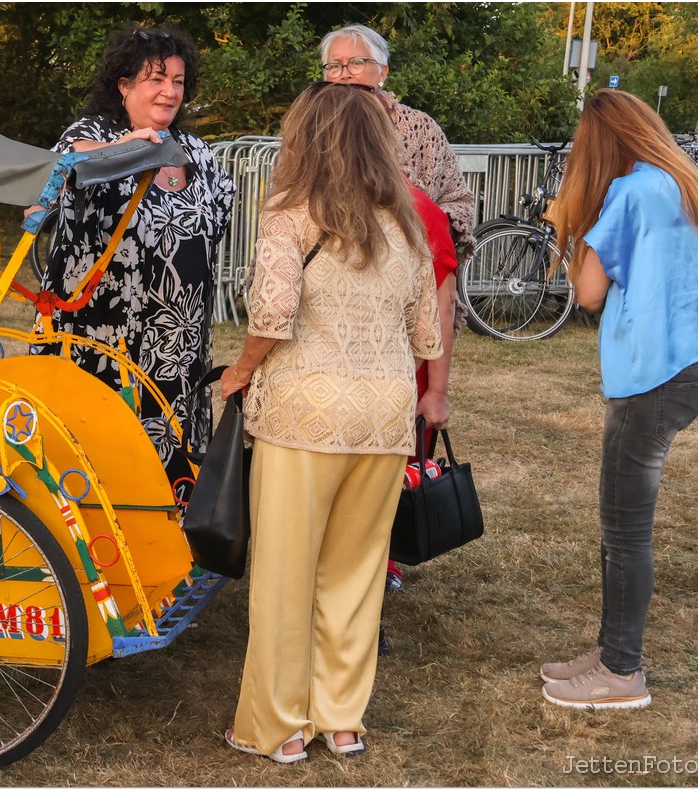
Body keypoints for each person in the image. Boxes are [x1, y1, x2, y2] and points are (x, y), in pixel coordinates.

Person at [219, 80, 441, 763]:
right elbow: (426, 334)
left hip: (305, 413)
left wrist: (239, 371)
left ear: (304, 137)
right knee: (356, 572)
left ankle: (278, 725)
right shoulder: (406, 221)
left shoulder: (291, 210)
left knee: (287, 572)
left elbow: (272, 313)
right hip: (383, 413)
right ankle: (342, 719)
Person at [540, 90, 698, 710]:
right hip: (686, 366)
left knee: (624, 529)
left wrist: (575, 226)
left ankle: (621, 673)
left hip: (648, 376)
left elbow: (588, 292)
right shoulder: (679, 184)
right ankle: (612, 651)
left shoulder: (629, 193)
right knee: (623, 528)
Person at [39, 25, 236, 487]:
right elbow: (65, 166)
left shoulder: (199, 154)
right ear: (124, 85)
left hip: (178, 345)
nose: (170, 92)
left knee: (173, 457)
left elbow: (218, 222)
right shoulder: (92, 134)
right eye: (156, 79)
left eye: (179, 82)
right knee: (100, 460)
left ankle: (172, 545)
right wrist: (134, 144)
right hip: (102, 340)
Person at [321, 22, 469, 596]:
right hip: (335, 319)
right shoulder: (316, 127)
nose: (342, 76)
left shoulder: (417, 129)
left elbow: (457, 205)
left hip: (408, 310)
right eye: (333, 67)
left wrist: (416, 226)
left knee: (399, 440)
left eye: (353, 64)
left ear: (382, 71)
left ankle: (382, 555)